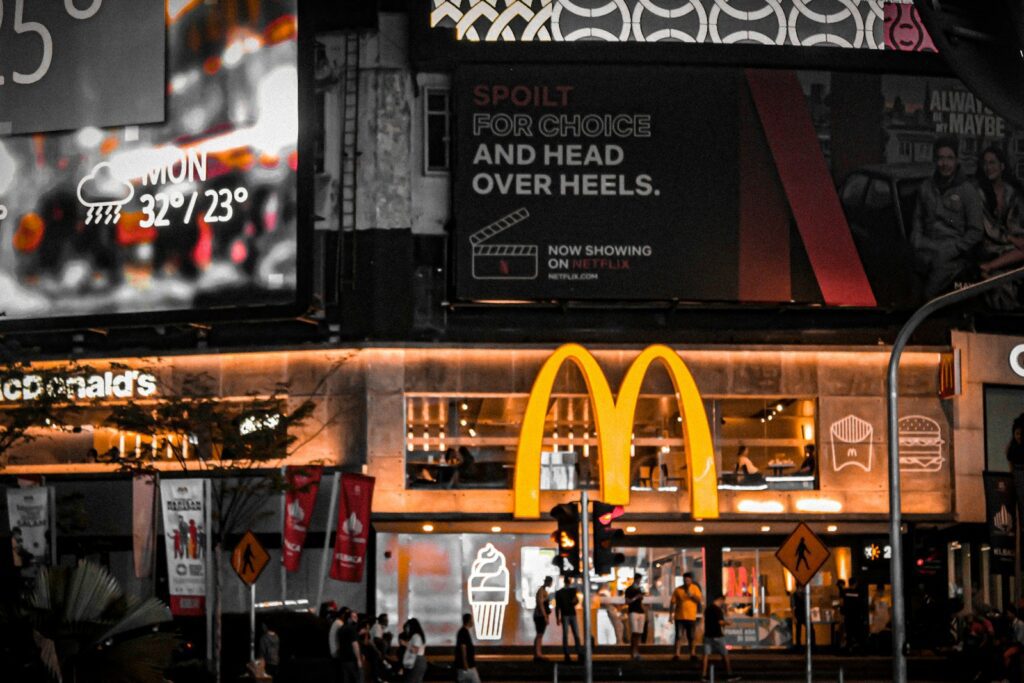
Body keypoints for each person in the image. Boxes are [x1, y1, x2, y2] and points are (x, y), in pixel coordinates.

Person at [909, 135, 985, 299]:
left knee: (928, 297)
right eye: (941, 158)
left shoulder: (967, 190)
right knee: (909, 292)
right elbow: (918, 219)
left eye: (950, 158)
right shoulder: (926, 187)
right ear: (935, 160)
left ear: (957, 160)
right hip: (925, 248)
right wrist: (916, 239)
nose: (945, 164)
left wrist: (954, 248)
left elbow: (976, 231)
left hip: (951, 254)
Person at [976, 146, 1024, 308]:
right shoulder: (979, 193)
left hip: (1012, 246)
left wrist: (1017, 238)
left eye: (992, 162)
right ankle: (989, 266)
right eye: (985, 163)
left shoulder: (1012, 193)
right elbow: (988, 227)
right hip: (990, 244)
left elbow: (1016, 223)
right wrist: (1012, 239)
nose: (988, 167)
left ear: (1002, 166)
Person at [701, 594, 739, 681]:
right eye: (723, 601)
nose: (723, 603)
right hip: (718, 635)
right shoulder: (717, 610)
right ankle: (729, 674)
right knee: (725, 654)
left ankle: (703, 675)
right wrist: (728, 623)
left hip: (708, 635)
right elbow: (720, 622)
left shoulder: (708, 609)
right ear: (720, 600)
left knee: (706, 655)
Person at [670, 572, 703, 660]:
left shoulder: (695, 588)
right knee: (678, 636)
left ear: (691, 580)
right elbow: (672, 603)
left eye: (688, 580)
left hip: (691, 617)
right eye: (685, 580)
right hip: (679, 617)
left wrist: (691, 595)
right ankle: (677, 654)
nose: (686, 581)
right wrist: (671, 615)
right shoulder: (678, 590)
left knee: (691, 636)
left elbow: (699, 600)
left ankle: (692, 654)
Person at [555, 576, 583, 662]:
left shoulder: (559, 592)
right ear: (569, 582)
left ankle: (566, 654)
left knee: (565, 635)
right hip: (572, 614)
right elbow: (576, 601)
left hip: (564, 614)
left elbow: (557, 607)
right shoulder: (572, 591)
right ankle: (579, 652)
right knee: (576, 634)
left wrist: (557, 618)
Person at [335, 608, 363, 683]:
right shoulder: (351, 629)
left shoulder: (341, 629)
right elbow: (355, 645)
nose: (356, 618)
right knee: (358, 679)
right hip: (352, 659)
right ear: (349, 619)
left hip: (343, 659)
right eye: (354, 617)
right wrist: (359, 660)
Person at [455, 612, 481, 683]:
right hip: (467, 666)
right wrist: (465, 663)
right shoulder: (464, 632)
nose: (473, 622)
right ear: (469, 621)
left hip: (465, 666)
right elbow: (463, 648)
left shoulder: (463, 631)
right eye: (472, 620)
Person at [624, 576, 646, 660]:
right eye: (639, 579)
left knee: (639, 633)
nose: (639, 581)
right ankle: (633, 651)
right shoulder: (629, 589)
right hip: (633, 611)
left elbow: (643, 597)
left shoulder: (641, 588)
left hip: (640, 611)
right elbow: (627, 601)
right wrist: (636, 597)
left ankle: (636, 651)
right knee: (634, 632)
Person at [1008, 414, 1024, 518]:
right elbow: (1010, 461)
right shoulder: (1012, 447)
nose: (1019, 436)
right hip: (1016, 477)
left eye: (1021, 434)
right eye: (1017, 434)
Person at [401, 617, 427, 683]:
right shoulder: (417, 636)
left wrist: (405, 644)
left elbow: (415, 650)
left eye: (407, 627)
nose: (406, 629)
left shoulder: (416, 636)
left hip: (416, 662)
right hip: (419, 661)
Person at [533, 575, 553, 660]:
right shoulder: (541, 591)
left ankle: (538, 653)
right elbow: (541, 604)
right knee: (539, 634)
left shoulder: (543, 590)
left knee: (540, 634)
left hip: (540, 615)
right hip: (540, 615)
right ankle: (538, 653)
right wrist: (545, 616)